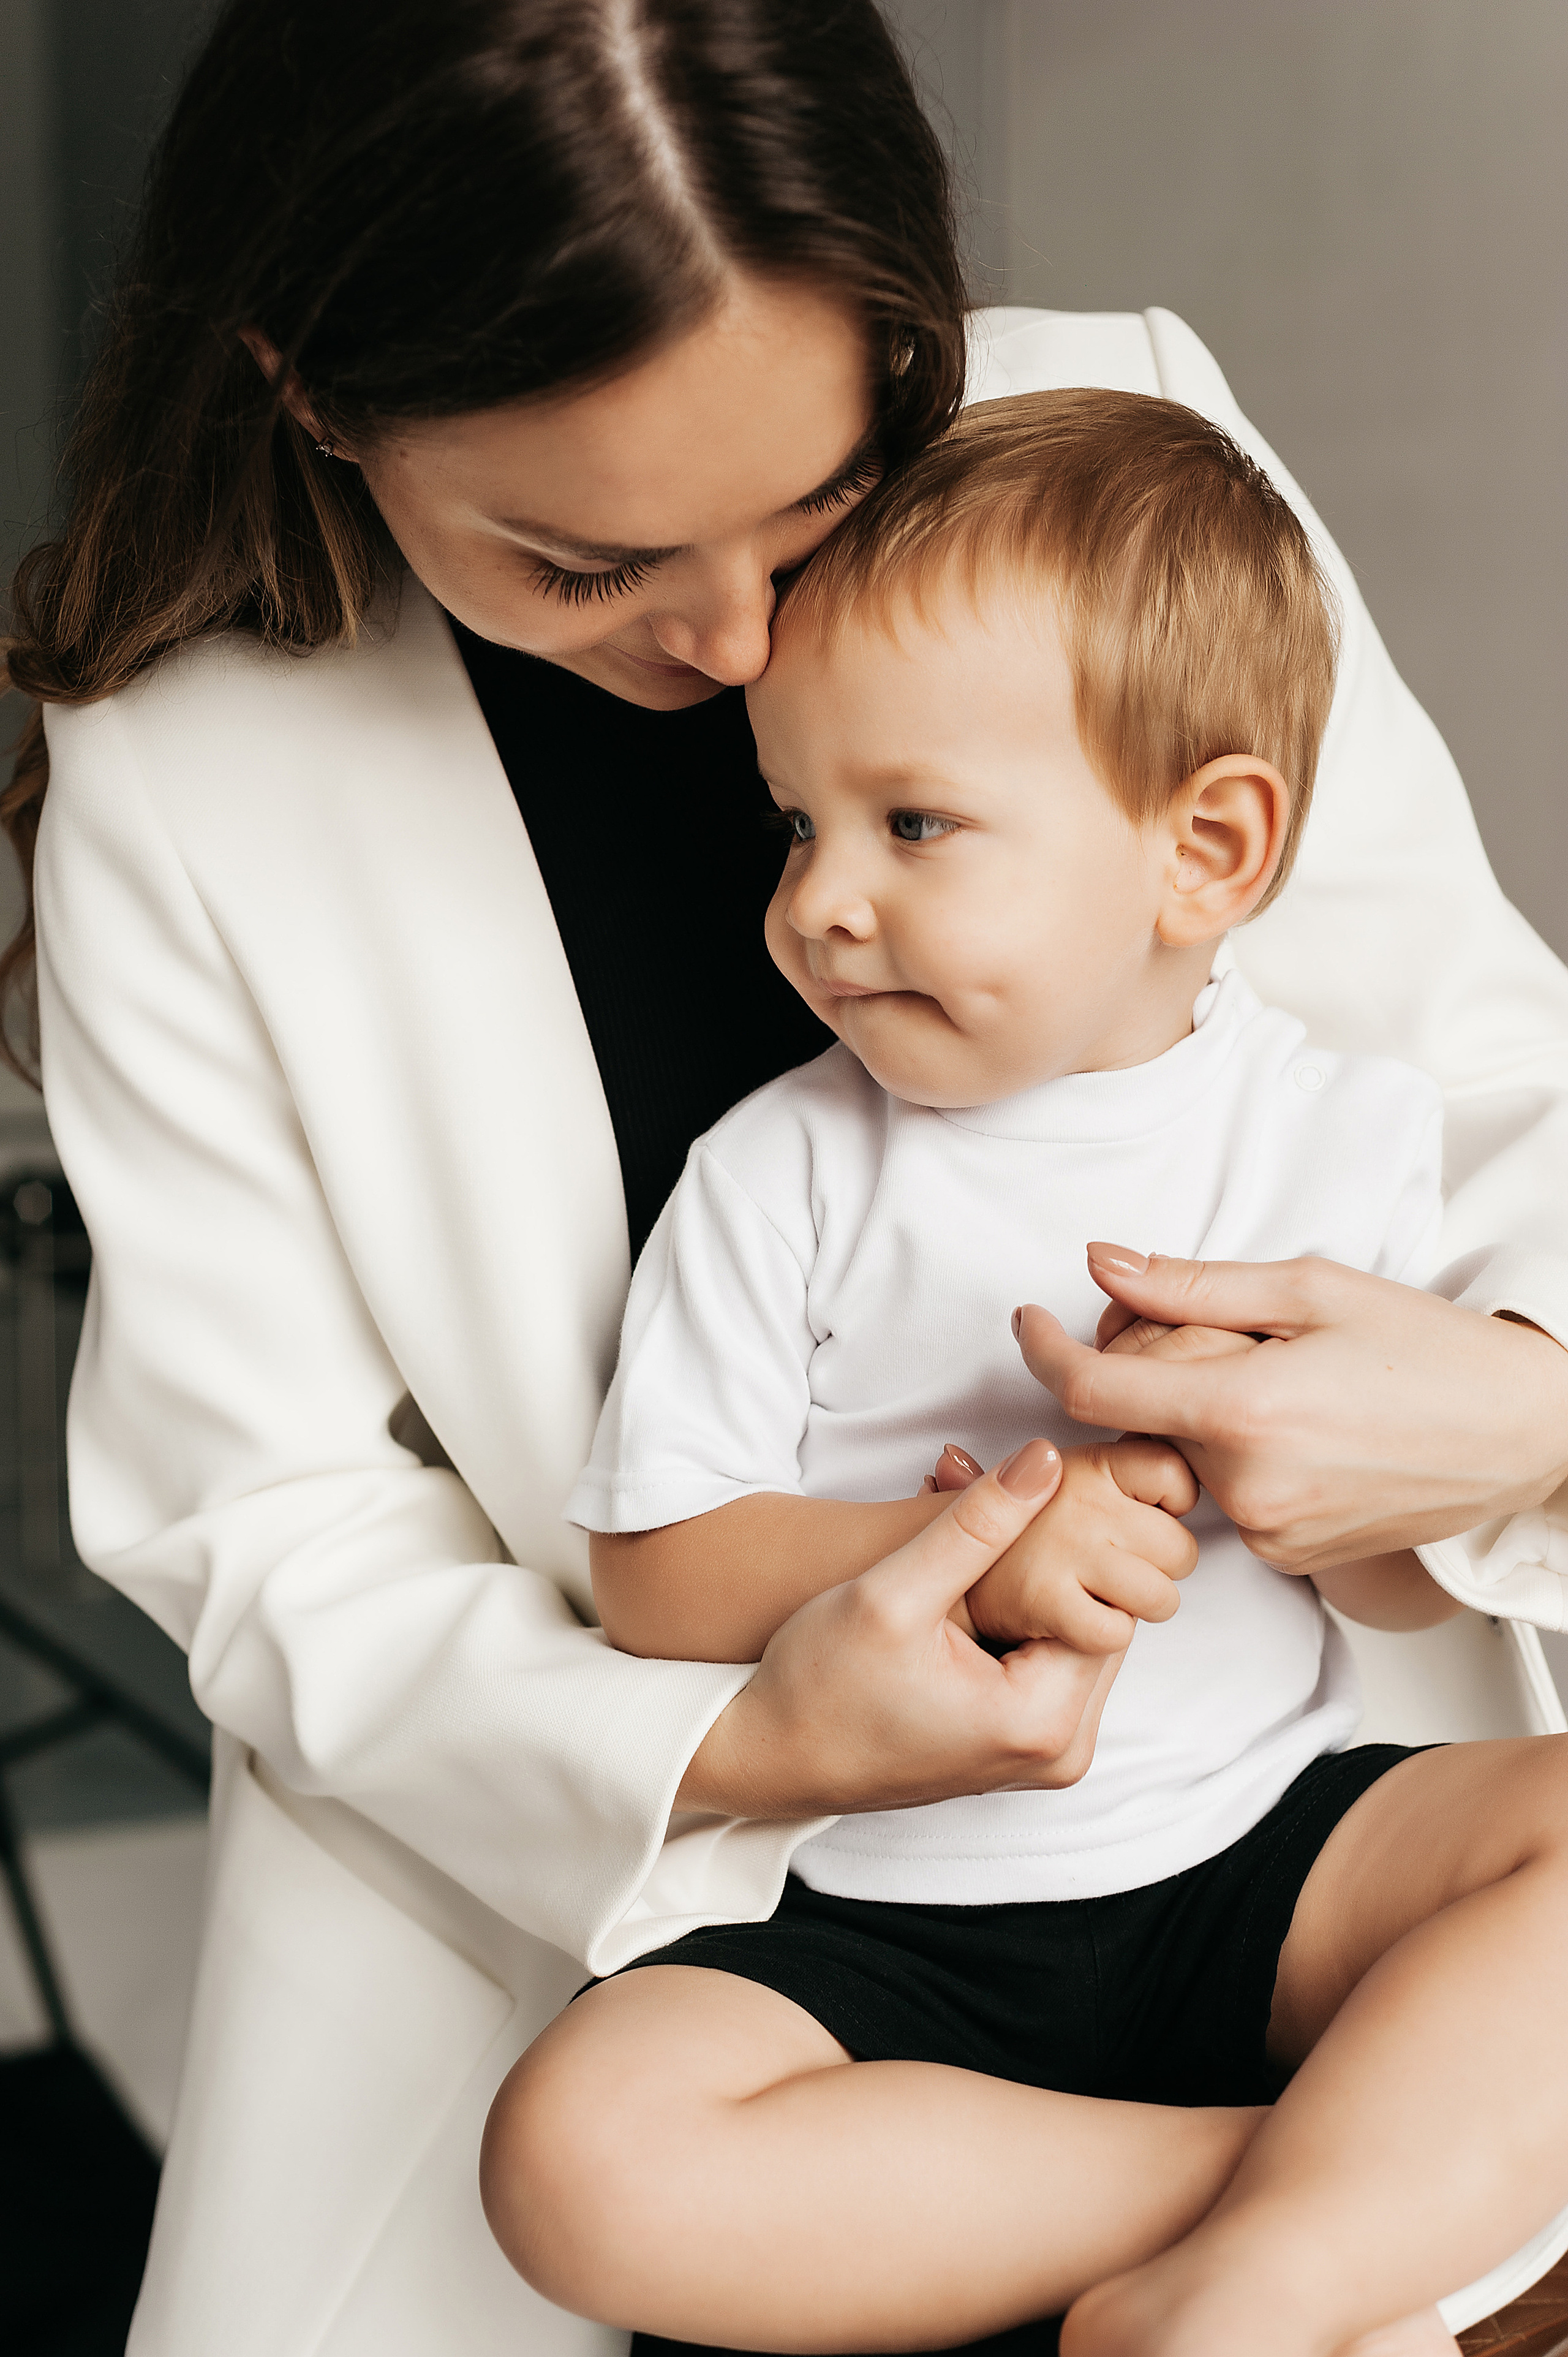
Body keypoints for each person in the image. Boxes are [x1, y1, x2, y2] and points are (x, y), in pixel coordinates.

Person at [4, 2, 1568, 2351]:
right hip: (680, 1926)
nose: (741, 650)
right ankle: (1332, 2191)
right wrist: (764, 1730)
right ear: (318, 393)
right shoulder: (187, 769)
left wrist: (1519, 1395)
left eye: (824, 508)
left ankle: (1310, 2226)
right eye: (585, 558)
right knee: (626, 2181)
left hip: (1292, 1817)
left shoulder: (1115, 441)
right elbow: (269, 1530)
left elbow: (1487, 1092)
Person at [478, 391, 1568, 2357]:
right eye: (797, 822)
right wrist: (986, 1553)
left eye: (912, 826)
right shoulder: (785, 1168)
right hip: (877, 1923)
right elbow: (658, 1573)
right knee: (581, 2157)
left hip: (1262, 1851)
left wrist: (1305, 1472)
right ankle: (1323, 2191)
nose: (819, 899)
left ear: (1204, 850)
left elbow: (1404, 1577)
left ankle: (1249, 2292)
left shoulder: (1336, 1138)